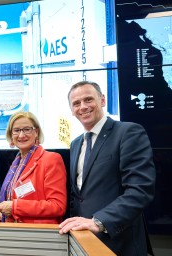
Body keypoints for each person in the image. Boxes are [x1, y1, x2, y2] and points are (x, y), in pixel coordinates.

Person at [59, 81, 156, 255]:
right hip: (83, 241)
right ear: (72, 110)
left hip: (120, 242)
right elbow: (78, 196)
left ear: (102, 100)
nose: (83, 107)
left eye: (88, 99)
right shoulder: (75, 144)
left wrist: (99, 221)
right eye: (76, 103)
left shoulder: (128, 132)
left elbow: (140, 190)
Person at [0, 111, 67, 223]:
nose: (21, 135)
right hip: (16, 231)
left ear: (36, 132)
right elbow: (13, 198)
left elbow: (57, 206)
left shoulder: (51, 159)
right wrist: (4, 215)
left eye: (27, 129)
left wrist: (14, 208)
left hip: (39, 234)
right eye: (16, 130)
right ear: (11, 134)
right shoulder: (16, 164)